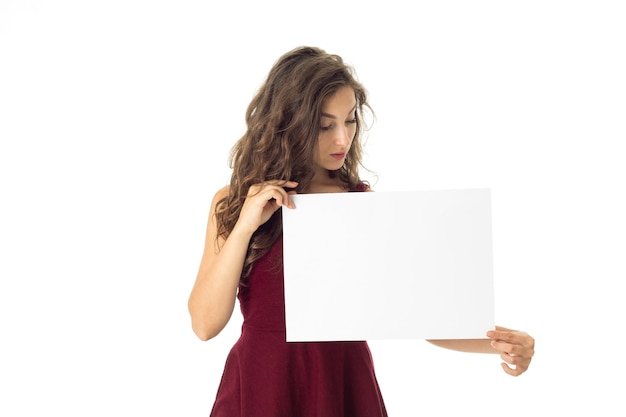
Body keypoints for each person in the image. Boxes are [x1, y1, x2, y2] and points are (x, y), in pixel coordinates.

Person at [188, 46, 535, 417]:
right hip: (261, 386)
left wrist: (500, 342)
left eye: (350, 120)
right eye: (325, 125)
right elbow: (205, 325)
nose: (342, 139)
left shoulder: (361, 205)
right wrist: (245, 225)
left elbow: (416, 313)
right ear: (288, 122)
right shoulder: (233, 201)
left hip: (343, 386)